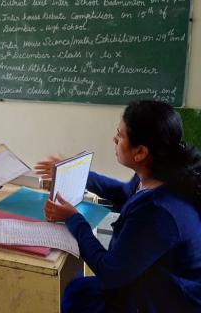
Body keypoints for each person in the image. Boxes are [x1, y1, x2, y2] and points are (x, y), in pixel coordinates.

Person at [36, 100, 201, 312]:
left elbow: (110, 271)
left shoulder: (159, 212)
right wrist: (76, 172)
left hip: (168, 300)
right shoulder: (159, 174)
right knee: (77, 290)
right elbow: (125, 194)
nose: (114, 138)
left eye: (120, 135)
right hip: (148, 278)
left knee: (79, 297)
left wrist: (73, 218)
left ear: (140, 152)